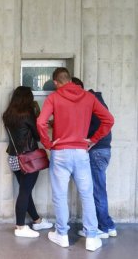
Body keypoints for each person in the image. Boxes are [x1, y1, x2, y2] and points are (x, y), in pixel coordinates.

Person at [37, 68, 114, 251]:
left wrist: (48, 143)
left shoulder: (54, 98)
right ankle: (92, 237)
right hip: (81, 152)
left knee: (60, 195)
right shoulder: (89, 97)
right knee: (87, 194)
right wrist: (93, 140)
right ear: (70, 79)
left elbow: (41, 122)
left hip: (60, 153)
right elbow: (109, 120)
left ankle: (62, 234)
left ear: (56, 82)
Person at [2, 86, 53, 238]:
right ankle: (20, 226)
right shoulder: (27, 114)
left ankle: (37, 221)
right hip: (29, 158)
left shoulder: (7, 115)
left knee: (26, 190)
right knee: (25, 191)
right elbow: (37, 136)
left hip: (14, 158)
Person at [71, 77, 117, 239]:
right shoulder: (96, 99)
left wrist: (93, 139)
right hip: (103, 150)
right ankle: (108, 225)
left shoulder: (89, 101)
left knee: (95, 190)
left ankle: (102, 227)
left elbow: (103, 123)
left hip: (96, 150)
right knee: (98, 189)